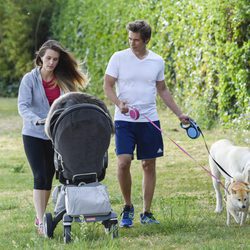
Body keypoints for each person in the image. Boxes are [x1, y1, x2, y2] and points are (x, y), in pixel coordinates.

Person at [103, 20, 189, 227]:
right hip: (124, 119)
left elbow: (163, 89)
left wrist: (179, 114)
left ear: (146, 40)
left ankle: (146, 212)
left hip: (149, 120)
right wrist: (118, 103)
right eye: (130, 39)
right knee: (123, 162)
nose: (132, 43)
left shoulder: (157, 61)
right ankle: (127, 207)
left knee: (148, 165)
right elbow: (107, 85)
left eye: (136, 40)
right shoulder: (118, 58)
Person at [18, 40, 87, 234]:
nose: (51, 62)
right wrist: (37, 120)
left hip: (56, 135)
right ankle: (41, 220)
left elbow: (72, 102)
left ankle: (40, 216)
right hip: (33, 133)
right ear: (40, 57)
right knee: (39, 176)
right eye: (48, 58)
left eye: (55, 59)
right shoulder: (29, 79)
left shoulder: (64, 80)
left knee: (49, 176)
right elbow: (23, 106)